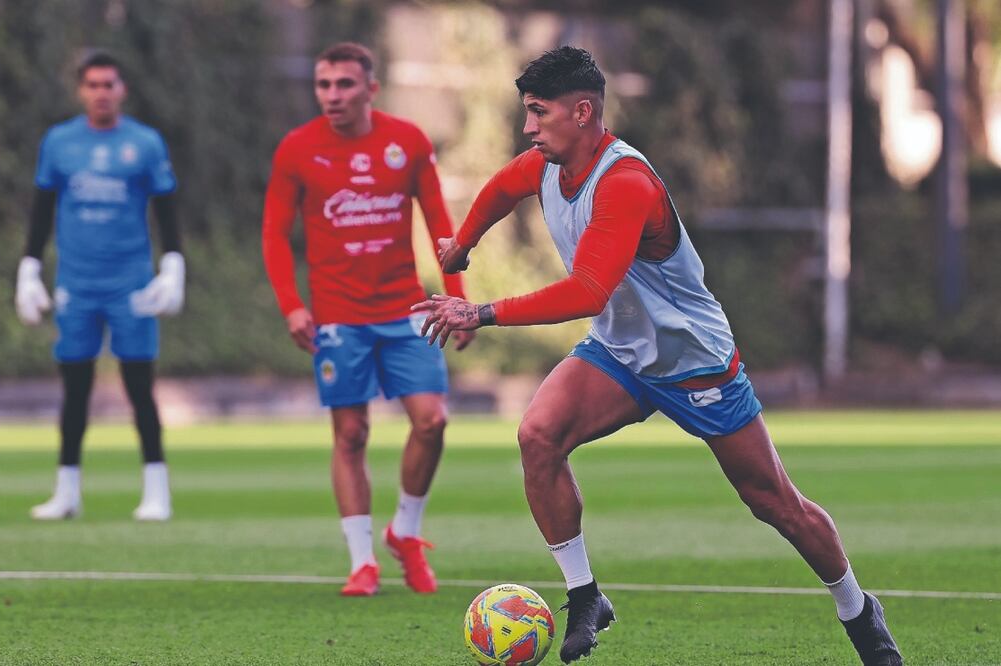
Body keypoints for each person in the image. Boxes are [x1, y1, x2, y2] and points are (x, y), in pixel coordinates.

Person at [413, 46, 902, 665]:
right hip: (620, 355)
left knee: (773, 502)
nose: (528, 127)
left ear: (583, 112)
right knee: (538, 436)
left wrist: (480, 311)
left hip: (692, 361)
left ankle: (859, 610)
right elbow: (501, 189)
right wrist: (462, 243)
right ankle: (586, 593)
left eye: (538, 113)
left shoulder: (625, 185)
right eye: (526, 113)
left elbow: (587, 291)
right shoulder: (545, 163)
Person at [261, 42, 473, 597]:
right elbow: (275, 235)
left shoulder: (407, 141)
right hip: (337, 316)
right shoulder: (297, 150)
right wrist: (291, 304)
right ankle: (362, 563)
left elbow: (441, 224)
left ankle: (405, 531)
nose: (333, 96)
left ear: (370, 89)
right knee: (350, 433)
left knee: (433, 421)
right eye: (324, 85)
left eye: (345, 85)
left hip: (406, 310)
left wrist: (458, 298)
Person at [16, 50, 185, 522]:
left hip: (129, 282)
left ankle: (157, 489)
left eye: (109, 84)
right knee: (74, 386)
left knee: (139, 385)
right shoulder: (60, 142)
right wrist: (29, 266)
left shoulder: (145, 143)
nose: (101, 93)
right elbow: (43, 206)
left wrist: (173, 263)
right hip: (77, 281)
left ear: (122, 89)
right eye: (92, 85)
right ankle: (67, 490)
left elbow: (166, 206)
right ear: (81, 91)